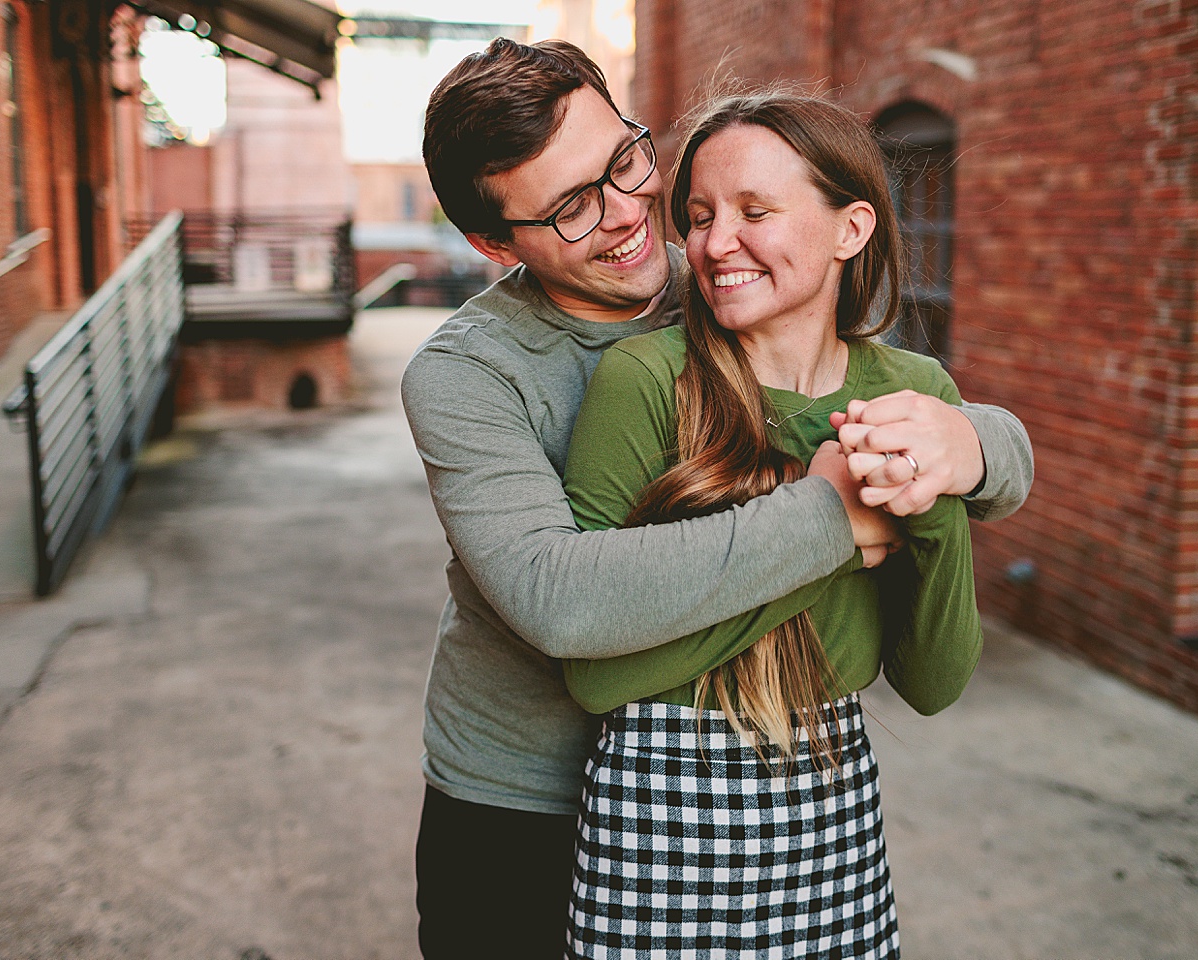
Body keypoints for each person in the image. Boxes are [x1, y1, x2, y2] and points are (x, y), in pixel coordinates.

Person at [402, 38, 1033, 958]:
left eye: (623, 162)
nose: (628, 217)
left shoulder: (725, 273)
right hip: (520, 797)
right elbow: (559, 598)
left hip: (758, 786)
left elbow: (934, 414)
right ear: (495, 243)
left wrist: (973, 444)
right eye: (573, 208)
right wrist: (831, 516)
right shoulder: (466, 375)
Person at [559, 86, 983, 959]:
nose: (715, 246)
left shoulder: (912, 398)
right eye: (702, 215)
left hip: (832, 819)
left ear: (851, 229)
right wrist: (831, 532)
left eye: (756, 211)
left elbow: (935, 684)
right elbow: (597, 680)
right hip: (655, 824)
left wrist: (931, 513)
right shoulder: (645, 380)